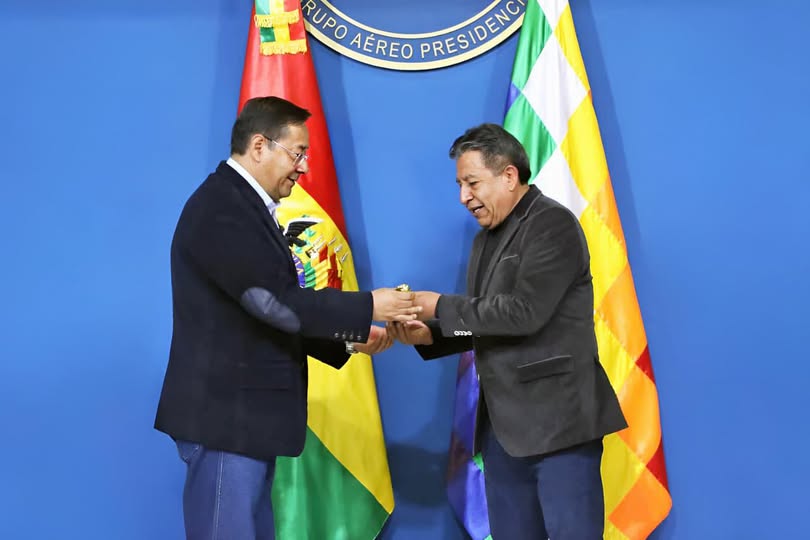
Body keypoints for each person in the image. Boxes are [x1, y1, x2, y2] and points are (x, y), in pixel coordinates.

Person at [154, 96, 419, 540]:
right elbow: (269, 302)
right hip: (226, 423)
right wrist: (368, 305)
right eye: (298, 153)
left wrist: (349, 339)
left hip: (244, 423)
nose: (304, 167)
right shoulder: (222, 207)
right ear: (260, 146)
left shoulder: (242, 204)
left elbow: (264, 314)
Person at [388, 123, 627, 539]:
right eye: (460, 185)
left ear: (509, 176)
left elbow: (524, 313)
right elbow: (488, 323)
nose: (464, 197)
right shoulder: (485, 239)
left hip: (560, 427)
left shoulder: (553, 224)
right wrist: (431, 334)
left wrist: (437, 304)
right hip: (503, 432)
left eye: (472, 183)